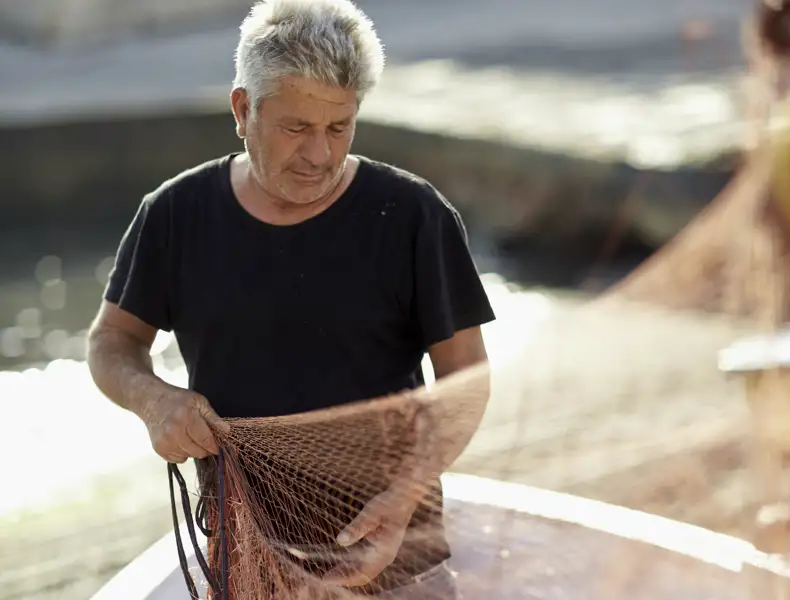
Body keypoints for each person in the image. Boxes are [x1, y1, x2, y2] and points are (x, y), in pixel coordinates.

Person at [86, 0, 495, 597]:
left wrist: (405, 494)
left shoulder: (414, 216)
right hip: (244, 560)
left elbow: (467, 378)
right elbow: (110, 343)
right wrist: (153, 400)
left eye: (339, 127)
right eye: (296, 128)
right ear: (242, 108)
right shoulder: (175, 215)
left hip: (399, 558)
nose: (320, 156)